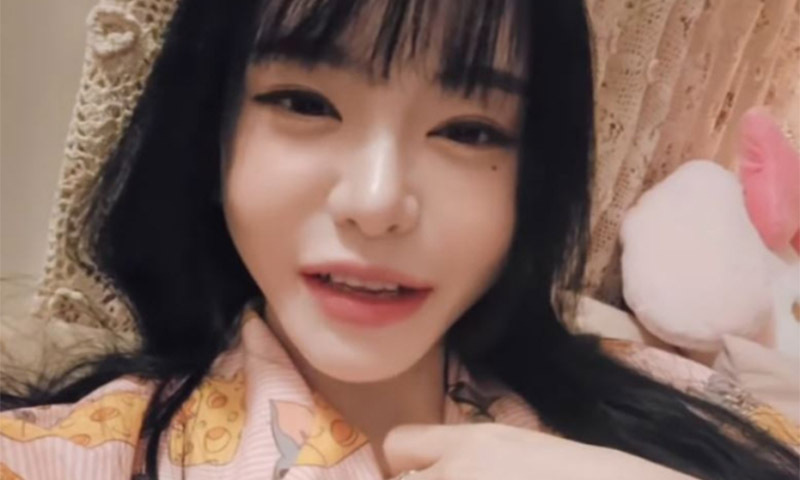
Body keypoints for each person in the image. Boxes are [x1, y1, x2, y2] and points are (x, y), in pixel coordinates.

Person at [1, 0, 797, 479]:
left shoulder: (677, 401)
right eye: (304, 103)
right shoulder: (77, 453)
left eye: (469, 130)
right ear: (211, 138)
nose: (377, 205)